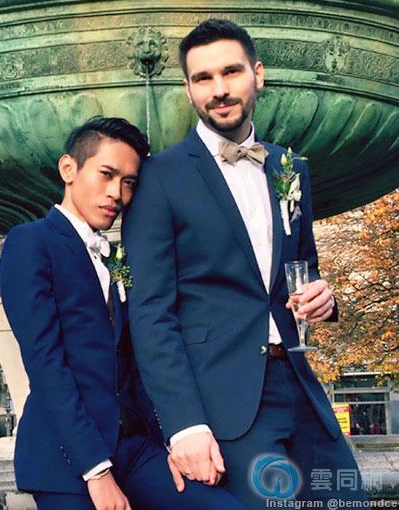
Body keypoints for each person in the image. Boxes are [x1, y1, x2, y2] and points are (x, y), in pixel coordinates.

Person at [122, 19, 368, 509]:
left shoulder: (289, 168)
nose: (218, 89)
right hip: (225, 405)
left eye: (230, 72)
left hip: (300, 388)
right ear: (188, 89)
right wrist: (184, 425)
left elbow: (304, 268)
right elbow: (150, 314)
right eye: (203, 78)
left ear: (258, 74)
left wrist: (323, 296)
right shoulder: (158, 178)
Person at [0, 117, 245, 510]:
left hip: (134, 448)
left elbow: (131, 361)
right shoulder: (30, 242)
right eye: (107, 174)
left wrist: (168, 442)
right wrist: (96, 472)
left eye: (128, 182)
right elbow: (46, 366)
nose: (117, 193)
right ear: (68, 168)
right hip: (66, 460)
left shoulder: (114, 256)